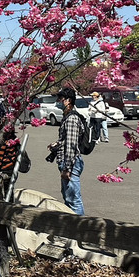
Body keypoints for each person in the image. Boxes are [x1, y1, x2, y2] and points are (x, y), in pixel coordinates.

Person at [48, 87, 85, 215]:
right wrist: (56, 144)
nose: (58, 101)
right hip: (67, 161)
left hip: (71, 163)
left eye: (60, 99)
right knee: (68, 198)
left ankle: (78, 230)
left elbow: (71, 145)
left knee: (73, 200)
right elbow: (66, 140)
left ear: (67, 101)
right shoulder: (68, 117)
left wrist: (67, 168)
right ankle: (72, 228)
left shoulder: (72, 119)